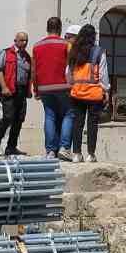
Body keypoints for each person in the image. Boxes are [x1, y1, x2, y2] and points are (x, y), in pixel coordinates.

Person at [66, 23, 109, 163]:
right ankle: (91, 154)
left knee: (77, 123)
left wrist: (73, 85)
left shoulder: (74, 51)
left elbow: (68, 72)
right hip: (94, 94)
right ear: (93, 37)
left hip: (77, 93)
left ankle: (77, 154)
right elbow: (103, 74)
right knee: (92, 124)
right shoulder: (99, 52)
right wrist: (106, 89)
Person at [31, 18, 72, 160]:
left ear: (47, 28)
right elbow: (71, 66)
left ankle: (50, 151)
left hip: (44, 87)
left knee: (49, 116)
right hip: (64, 86)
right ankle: (64, 147)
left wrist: (35, 89)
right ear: (60, 28)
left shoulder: (36, 46)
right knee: (68, 114)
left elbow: (34, 69)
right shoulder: (66, 44)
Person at [0, 31, 32, 157]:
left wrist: (28, 90)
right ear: (15, 41)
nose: (24, 43)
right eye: (22, 40)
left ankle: (11, 147)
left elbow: (28, 75)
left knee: (19, 119)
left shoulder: (27, 57)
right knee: (8, 117)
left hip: (21, 90)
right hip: (8, 90)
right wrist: (3, 87)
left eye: (26, 40)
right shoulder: (6, 52)